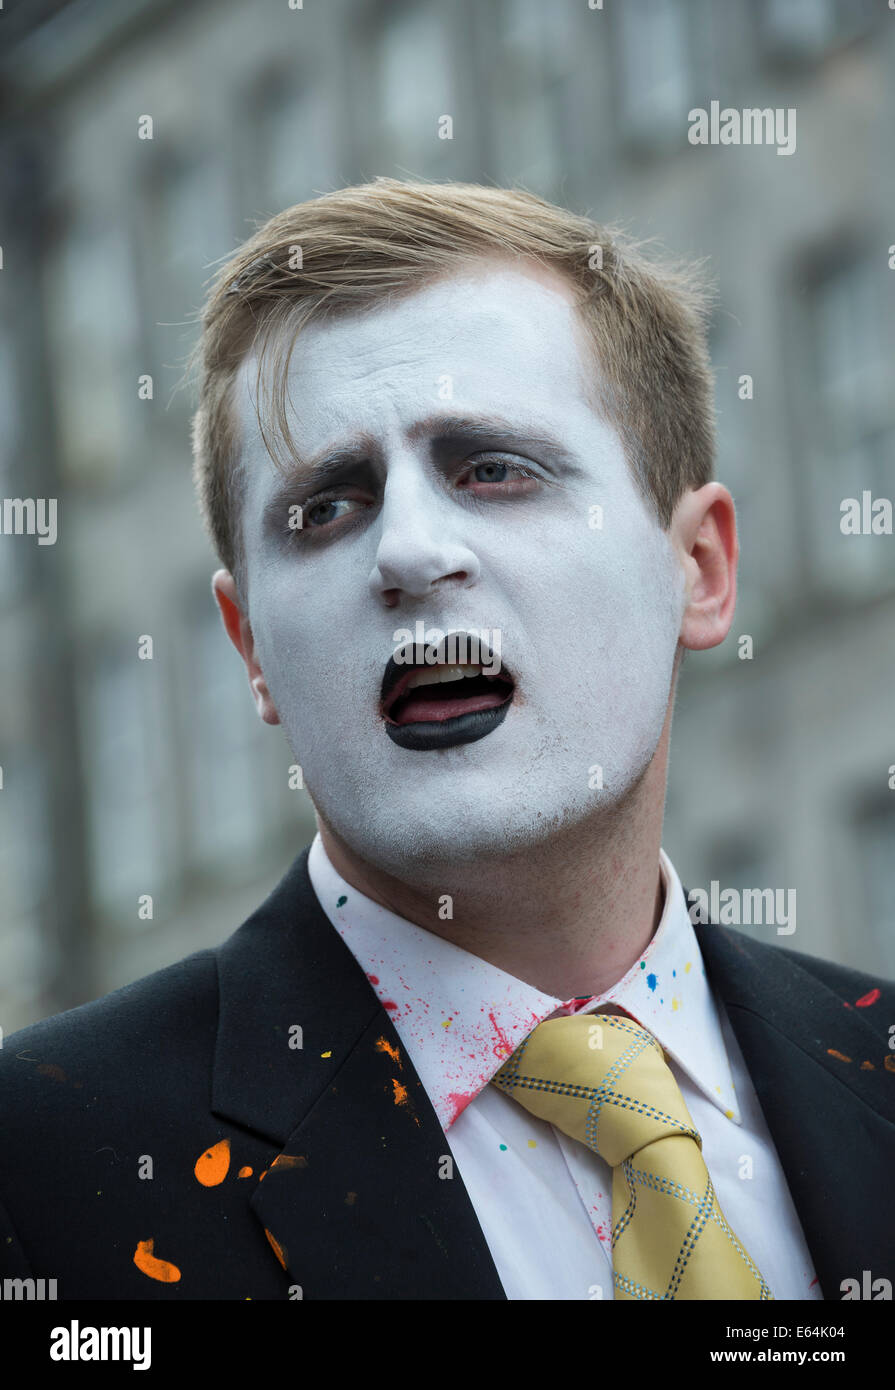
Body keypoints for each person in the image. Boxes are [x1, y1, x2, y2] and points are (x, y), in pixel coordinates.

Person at [1, 178, 891, 1302]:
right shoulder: (42, 1175)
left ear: (698, 569)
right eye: (325, 505)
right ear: (252, 649)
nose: (410, 552)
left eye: (492, 468)